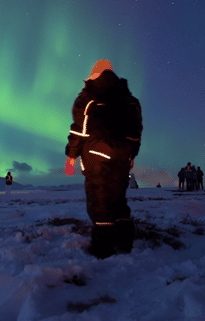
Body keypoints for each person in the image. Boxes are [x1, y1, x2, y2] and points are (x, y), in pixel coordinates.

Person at [65, 59, 143, 259]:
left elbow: (79, 131)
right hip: (122, 157)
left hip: (96, 156)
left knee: (99, 201)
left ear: (93, 74)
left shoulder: (87, 97)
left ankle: (103, 249)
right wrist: (131, 154)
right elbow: (135, 132)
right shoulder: (130, 100)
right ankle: (124, 243)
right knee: (118, 199)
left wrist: (71, 155)